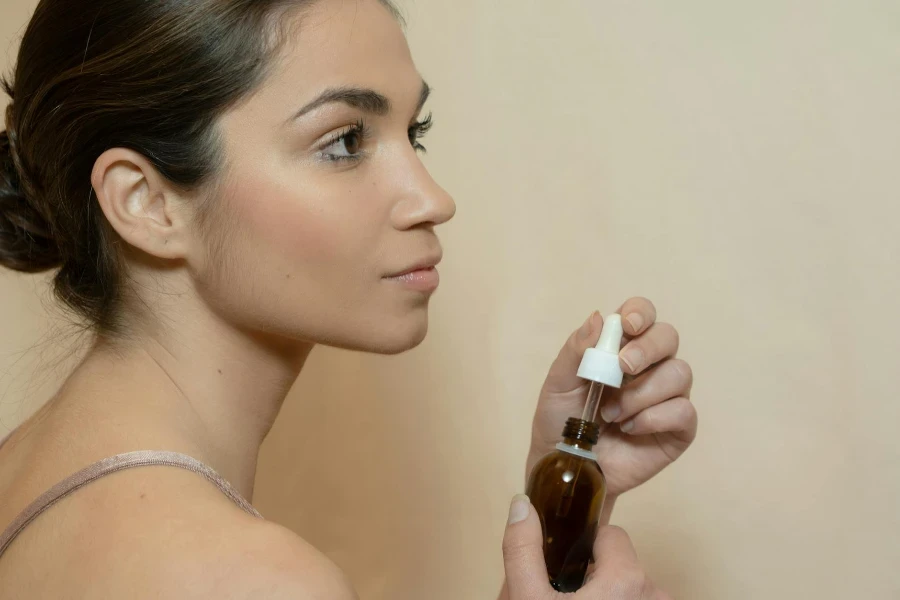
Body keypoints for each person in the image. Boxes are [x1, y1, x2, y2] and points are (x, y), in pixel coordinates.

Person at [0, 0, 696, 597]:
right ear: (146, 202)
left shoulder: (25, 473)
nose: (434, 198)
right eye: (345, 142)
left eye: (413, 133)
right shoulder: (253, 582)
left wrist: (562, 507)